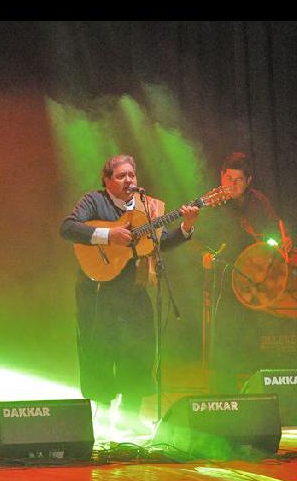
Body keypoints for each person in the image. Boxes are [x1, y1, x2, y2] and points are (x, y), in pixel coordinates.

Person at [59, 154, 200, 431]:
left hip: (133, 288)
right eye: (121, 176)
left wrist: (187, 226)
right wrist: (108, 235)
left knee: (139, 347)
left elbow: (158, 244)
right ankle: (100, 411)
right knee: (99, 347)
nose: (128, 180)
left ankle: (132, 412)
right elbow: (67, 228)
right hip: (96, 288)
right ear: (107, 180)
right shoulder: (94, 201)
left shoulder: (150, 207)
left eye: (131, 175)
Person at [198, 152, 293, 393]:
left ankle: (255, 392)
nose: (232, 185)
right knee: (226, 336)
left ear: (249, 180)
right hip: (226, 276)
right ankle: (223, 395)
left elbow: (275, 231)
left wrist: (284, 241)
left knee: (254, 336)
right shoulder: (212, 202)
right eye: (228, 178)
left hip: (256, 280)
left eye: (239, 180)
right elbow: (198, 235)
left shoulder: (259, 202)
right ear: (221, 176)